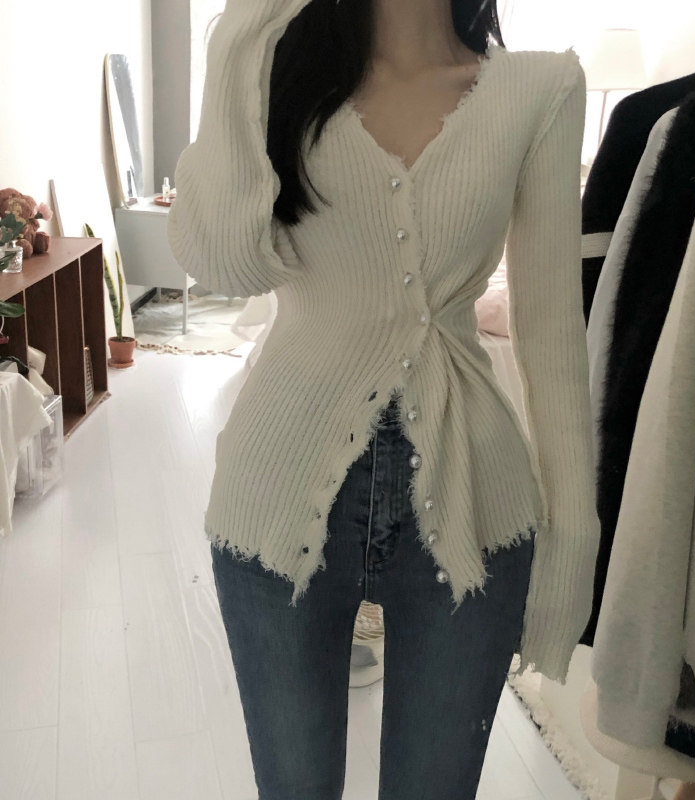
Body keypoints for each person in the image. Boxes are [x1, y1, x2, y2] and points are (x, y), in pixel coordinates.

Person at [168, 0, 600, 798]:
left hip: (475, 500)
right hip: (276, 494)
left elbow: (551, 334)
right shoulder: (275, 71)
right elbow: (224, 264)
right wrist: (239, 36)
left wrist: (573, 538)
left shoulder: (540, 90)